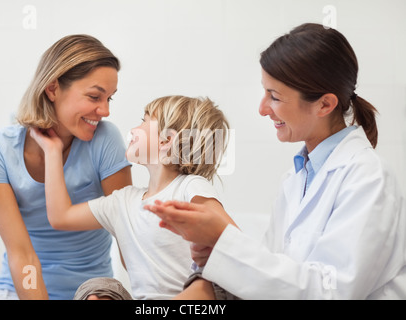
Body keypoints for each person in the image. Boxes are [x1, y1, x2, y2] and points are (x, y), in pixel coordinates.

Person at [145, 23, 406, 299]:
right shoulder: (295, 179)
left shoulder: (369, 178)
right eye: (265, 92)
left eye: (275, 97)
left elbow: (332, 292)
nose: (262, 108)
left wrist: (225, 241)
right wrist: (216, 251)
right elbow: (275, 273)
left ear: (324, 105)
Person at [0, 34, 132, 300]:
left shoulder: (106, 139)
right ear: (52, 88)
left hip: (93, 292)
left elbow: (128, 233)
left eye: (109, 99)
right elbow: (21, 253)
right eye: (94, 96)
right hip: (21, 290)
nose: (104, 111)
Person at [30, 95, 236, 300]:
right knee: (98, 289)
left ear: (166, 140)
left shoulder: (189, 187)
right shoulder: (122, 202)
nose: (133, 130)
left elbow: (233, 241)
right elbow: (60, 217)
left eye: (144, 121)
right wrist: (52, 151)